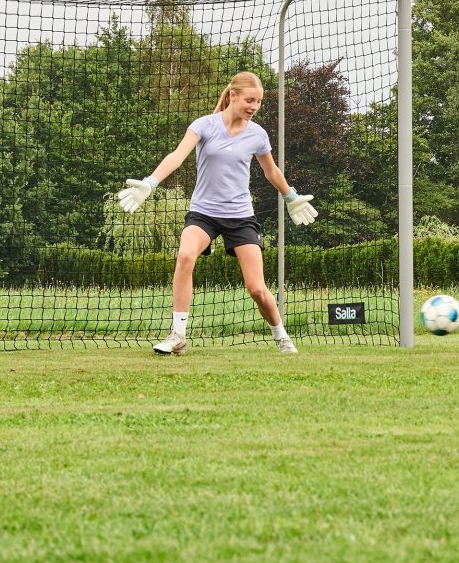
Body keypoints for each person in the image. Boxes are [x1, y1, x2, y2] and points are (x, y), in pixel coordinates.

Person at [116, 70, 318, 357]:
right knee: (185, 256)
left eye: (259, 102)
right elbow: (178, 155)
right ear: (233, 96)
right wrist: (151, 182)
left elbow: (270, 170)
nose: (254, 107)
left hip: (240, 217)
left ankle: (281, 336)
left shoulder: (258, 134)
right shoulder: (204, 125)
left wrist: (291, 196)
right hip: (204, 213)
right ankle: (178, 336)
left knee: (257, 289)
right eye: (250, 100)